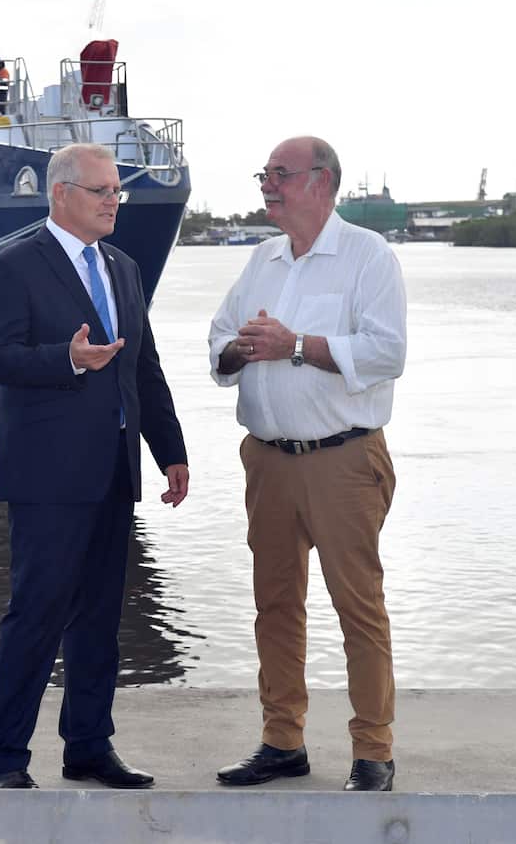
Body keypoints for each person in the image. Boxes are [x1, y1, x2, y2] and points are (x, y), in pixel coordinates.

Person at [0, 143, 190, 789]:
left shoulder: (123, 267)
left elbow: (142, 367)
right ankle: (4, 759)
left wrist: (170, 449)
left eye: (116, 191)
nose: (113, 201)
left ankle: (89, 748)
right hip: (47, 477)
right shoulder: (14, 266)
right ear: (61, 194)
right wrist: (66, 360)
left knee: (100, 619)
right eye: (101, 191)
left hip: (113, 473)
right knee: (36, 616)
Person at [208, 136, 407, 792]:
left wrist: (295, 346)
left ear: (321, 183)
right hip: (266, 461)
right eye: (264, 173)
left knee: (358, 608)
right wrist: (240, 348)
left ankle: (373, 750)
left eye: (280, 175)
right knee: (275, 606)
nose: (267, 184)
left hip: (342, 462)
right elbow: (218, 345)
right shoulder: (262, 259)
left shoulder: (367, 257)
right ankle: (282, 741)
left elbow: (385, 352)